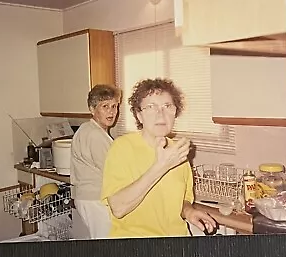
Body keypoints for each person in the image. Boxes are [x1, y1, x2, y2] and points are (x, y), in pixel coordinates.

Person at [100, 78, 216, 238]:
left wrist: (189, 212)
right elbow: (118, 208)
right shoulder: (122, 148)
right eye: (151, 107)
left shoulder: (178, 151)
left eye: (167, 106)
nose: (161, 114)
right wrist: (161, 166)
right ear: (139, 115)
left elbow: (182, 201)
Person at [70, 84, 121, 239]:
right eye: (105, 106)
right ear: (92, 109)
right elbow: (113, 171)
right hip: (95, 198)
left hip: (87, 197)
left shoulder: (89, 129)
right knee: (107, 243)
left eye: (114, 106)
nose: (112, 111)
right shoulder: (94, 135)